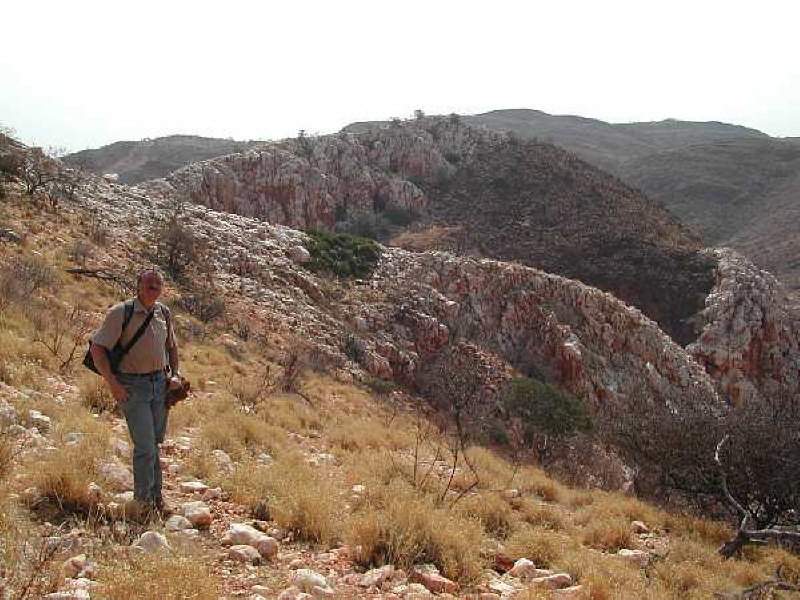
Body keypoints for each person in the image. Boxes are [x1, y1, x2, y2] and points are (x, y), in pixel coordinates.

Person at [90, 267, 180, 515]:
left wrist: (175, 374)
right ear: (139, 285)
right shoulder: (122, 312)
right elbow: (97, 348)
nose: (154, 289)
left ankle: (156, 498)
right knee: (145, 446)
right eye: (149, 284)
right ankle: (143, 503)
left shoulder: (163, 313)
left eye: (158, 285)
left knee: (154, 444)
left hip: (159, 384)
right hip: (132, 386)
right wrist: (113, 383)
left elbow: (172, 347)